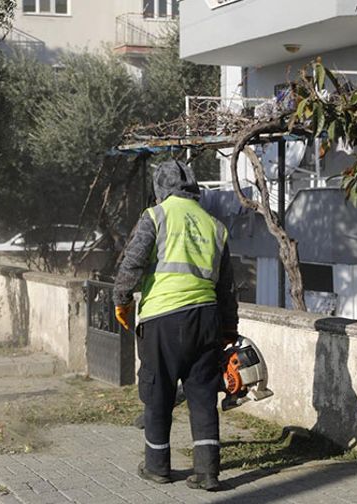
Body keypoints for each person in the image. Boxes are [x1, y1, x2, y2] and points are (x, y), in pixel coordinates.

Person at [113, 160, 239, 492]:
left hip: (163, 320)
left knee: (158, 393)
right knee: (202, 395)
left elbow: (133, 262)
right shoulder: (215, 225)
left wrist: (121, 300)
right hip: (206, 321)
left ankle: (156, 467)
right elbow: (227, 287)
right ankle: (208, 472)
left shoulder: (156, 216)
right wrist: (229, 329)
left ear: (160, 188)